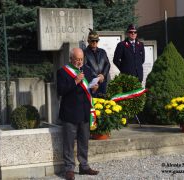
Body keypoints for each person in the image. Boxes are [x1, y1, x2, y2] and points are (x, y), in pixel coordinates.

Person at [56, 48, 99, 180]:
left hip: (84, 111)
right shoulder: (63, 71)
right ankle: (69, 169)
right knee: (69, 143)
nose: (80, 62)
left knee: (84, 140)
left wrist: (95, 87)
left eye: (81, 59)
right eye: (77, 59)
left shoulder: (86, 69)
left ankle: (84, 166)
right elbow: (61, 91)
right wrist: (75, 81)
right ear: (71, 59)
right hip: (70, 112)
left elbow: (90, 87)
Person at [84, 29, 110, 97]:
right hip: (92, 82)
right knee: (93, 104)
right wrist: (97, 77)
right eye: (93, 40)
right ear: (88, 41)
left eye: (96, 40)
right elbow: (85, 66)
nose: (95, 42)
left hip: (103, 81)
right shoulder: (84, 53)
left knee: (104, 103)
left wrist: (103, 75)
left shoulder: (102, 52)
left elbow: (107, 64)